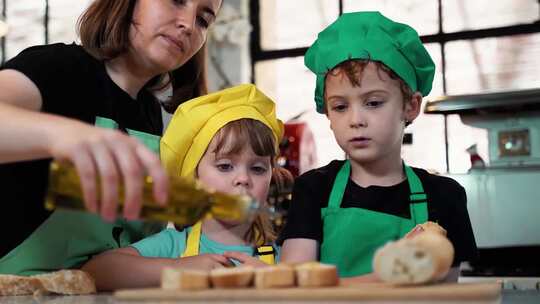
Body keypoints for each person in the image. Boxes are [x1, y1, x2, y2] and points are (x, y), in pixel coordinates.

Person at [0, 0, 222, 274]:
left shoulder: (150, 114)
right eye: (175, 1)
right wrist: (63, 134)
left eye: (203, 19)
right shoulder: (58, 68)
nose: (188, 25)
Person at [279, 12, 477, 282]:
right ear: (328, 114)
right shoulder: (313, 189)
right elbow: (295, 286)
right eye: (340, 106)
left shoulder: (445, 196)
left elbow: (445, 292)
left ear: (410, 106)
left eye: (373, 102)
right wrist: (400, 269)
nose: (356, 120)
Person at [81, 84, 288, 290]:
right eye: (225, 166)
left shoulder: (284, 254)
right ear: (194, 176)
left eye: (258, 168)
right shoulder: (172, 246)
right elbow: (95, 272)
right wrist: (178, 268)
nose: (243, 178)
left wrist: (275, 281)